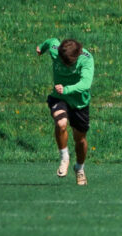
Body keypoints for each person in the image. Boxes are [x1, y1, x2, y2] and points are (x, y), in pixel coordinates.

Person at [35, 37, 94, 187]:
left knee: (80, 139)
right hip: (59, 97)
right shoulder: (57, 50)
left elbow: (85, 84)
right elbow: (51, 41)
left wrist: (66, 89)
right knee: (61, 123)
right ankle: (64, 157)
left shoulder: (86, 59)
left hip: (79, 102)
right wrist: (41, 47)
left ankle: (79, 168)